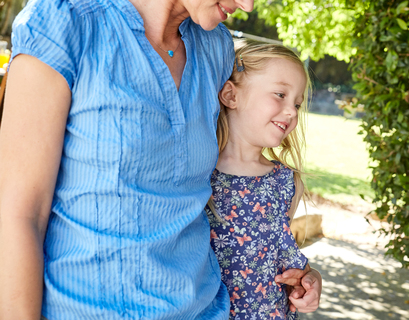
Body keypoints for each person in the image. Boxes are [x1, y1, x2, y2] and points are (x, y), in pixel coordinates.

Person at [0, 0, 321, 319]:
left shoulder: (215, 47)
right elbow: (18, 215)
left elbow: (238, 203)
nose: (247, 6)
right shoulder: (66, 22)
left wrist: (299, 273)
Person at [206, 40, 322, 320]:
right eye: (280, 94)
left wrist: (310, 281)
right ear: (231, 96)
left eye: (296, 102)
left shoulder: (286, 183)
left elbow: (285, 256)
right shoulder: (198, 175)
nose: (293, 111)